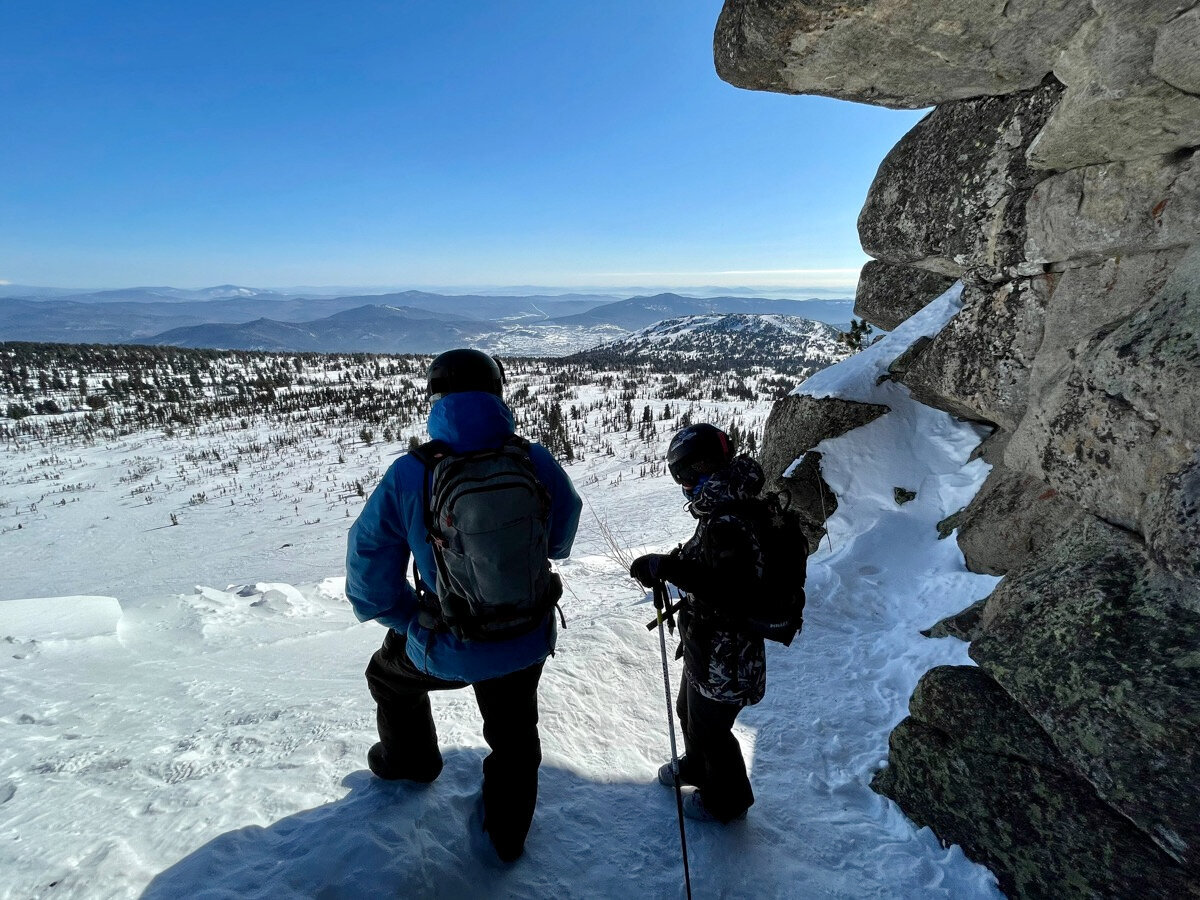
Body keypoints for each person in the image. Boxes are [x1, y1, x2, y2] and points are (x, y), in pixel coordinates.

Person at [346, 348, 582, 863]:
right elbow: (563, 531)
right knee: (515, 735)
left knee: (389, 677)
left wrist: (408, 619)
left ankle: (411, 763)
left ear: (437, 400)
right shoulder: (532, 457)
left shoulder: (412, 472)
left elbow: (369, 569)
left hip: (450, 637)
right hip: (526, 631)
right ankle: (507, 837)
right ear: (498, 394)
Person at [629, 423, 768, 824]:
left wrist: (668, 567)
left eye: (688, 475)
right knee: (688, 709)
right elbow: (706, 561)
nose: (685, 485)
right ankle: (696, 767)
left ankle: (727, 801)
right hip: (708, 644)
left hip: (731, 650)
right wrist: (670, 563)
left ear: (707, 467)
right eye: (681, 477)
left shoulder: (729, 515)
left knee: (712, 729)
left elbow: (727, 590)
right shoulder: (722, 504)